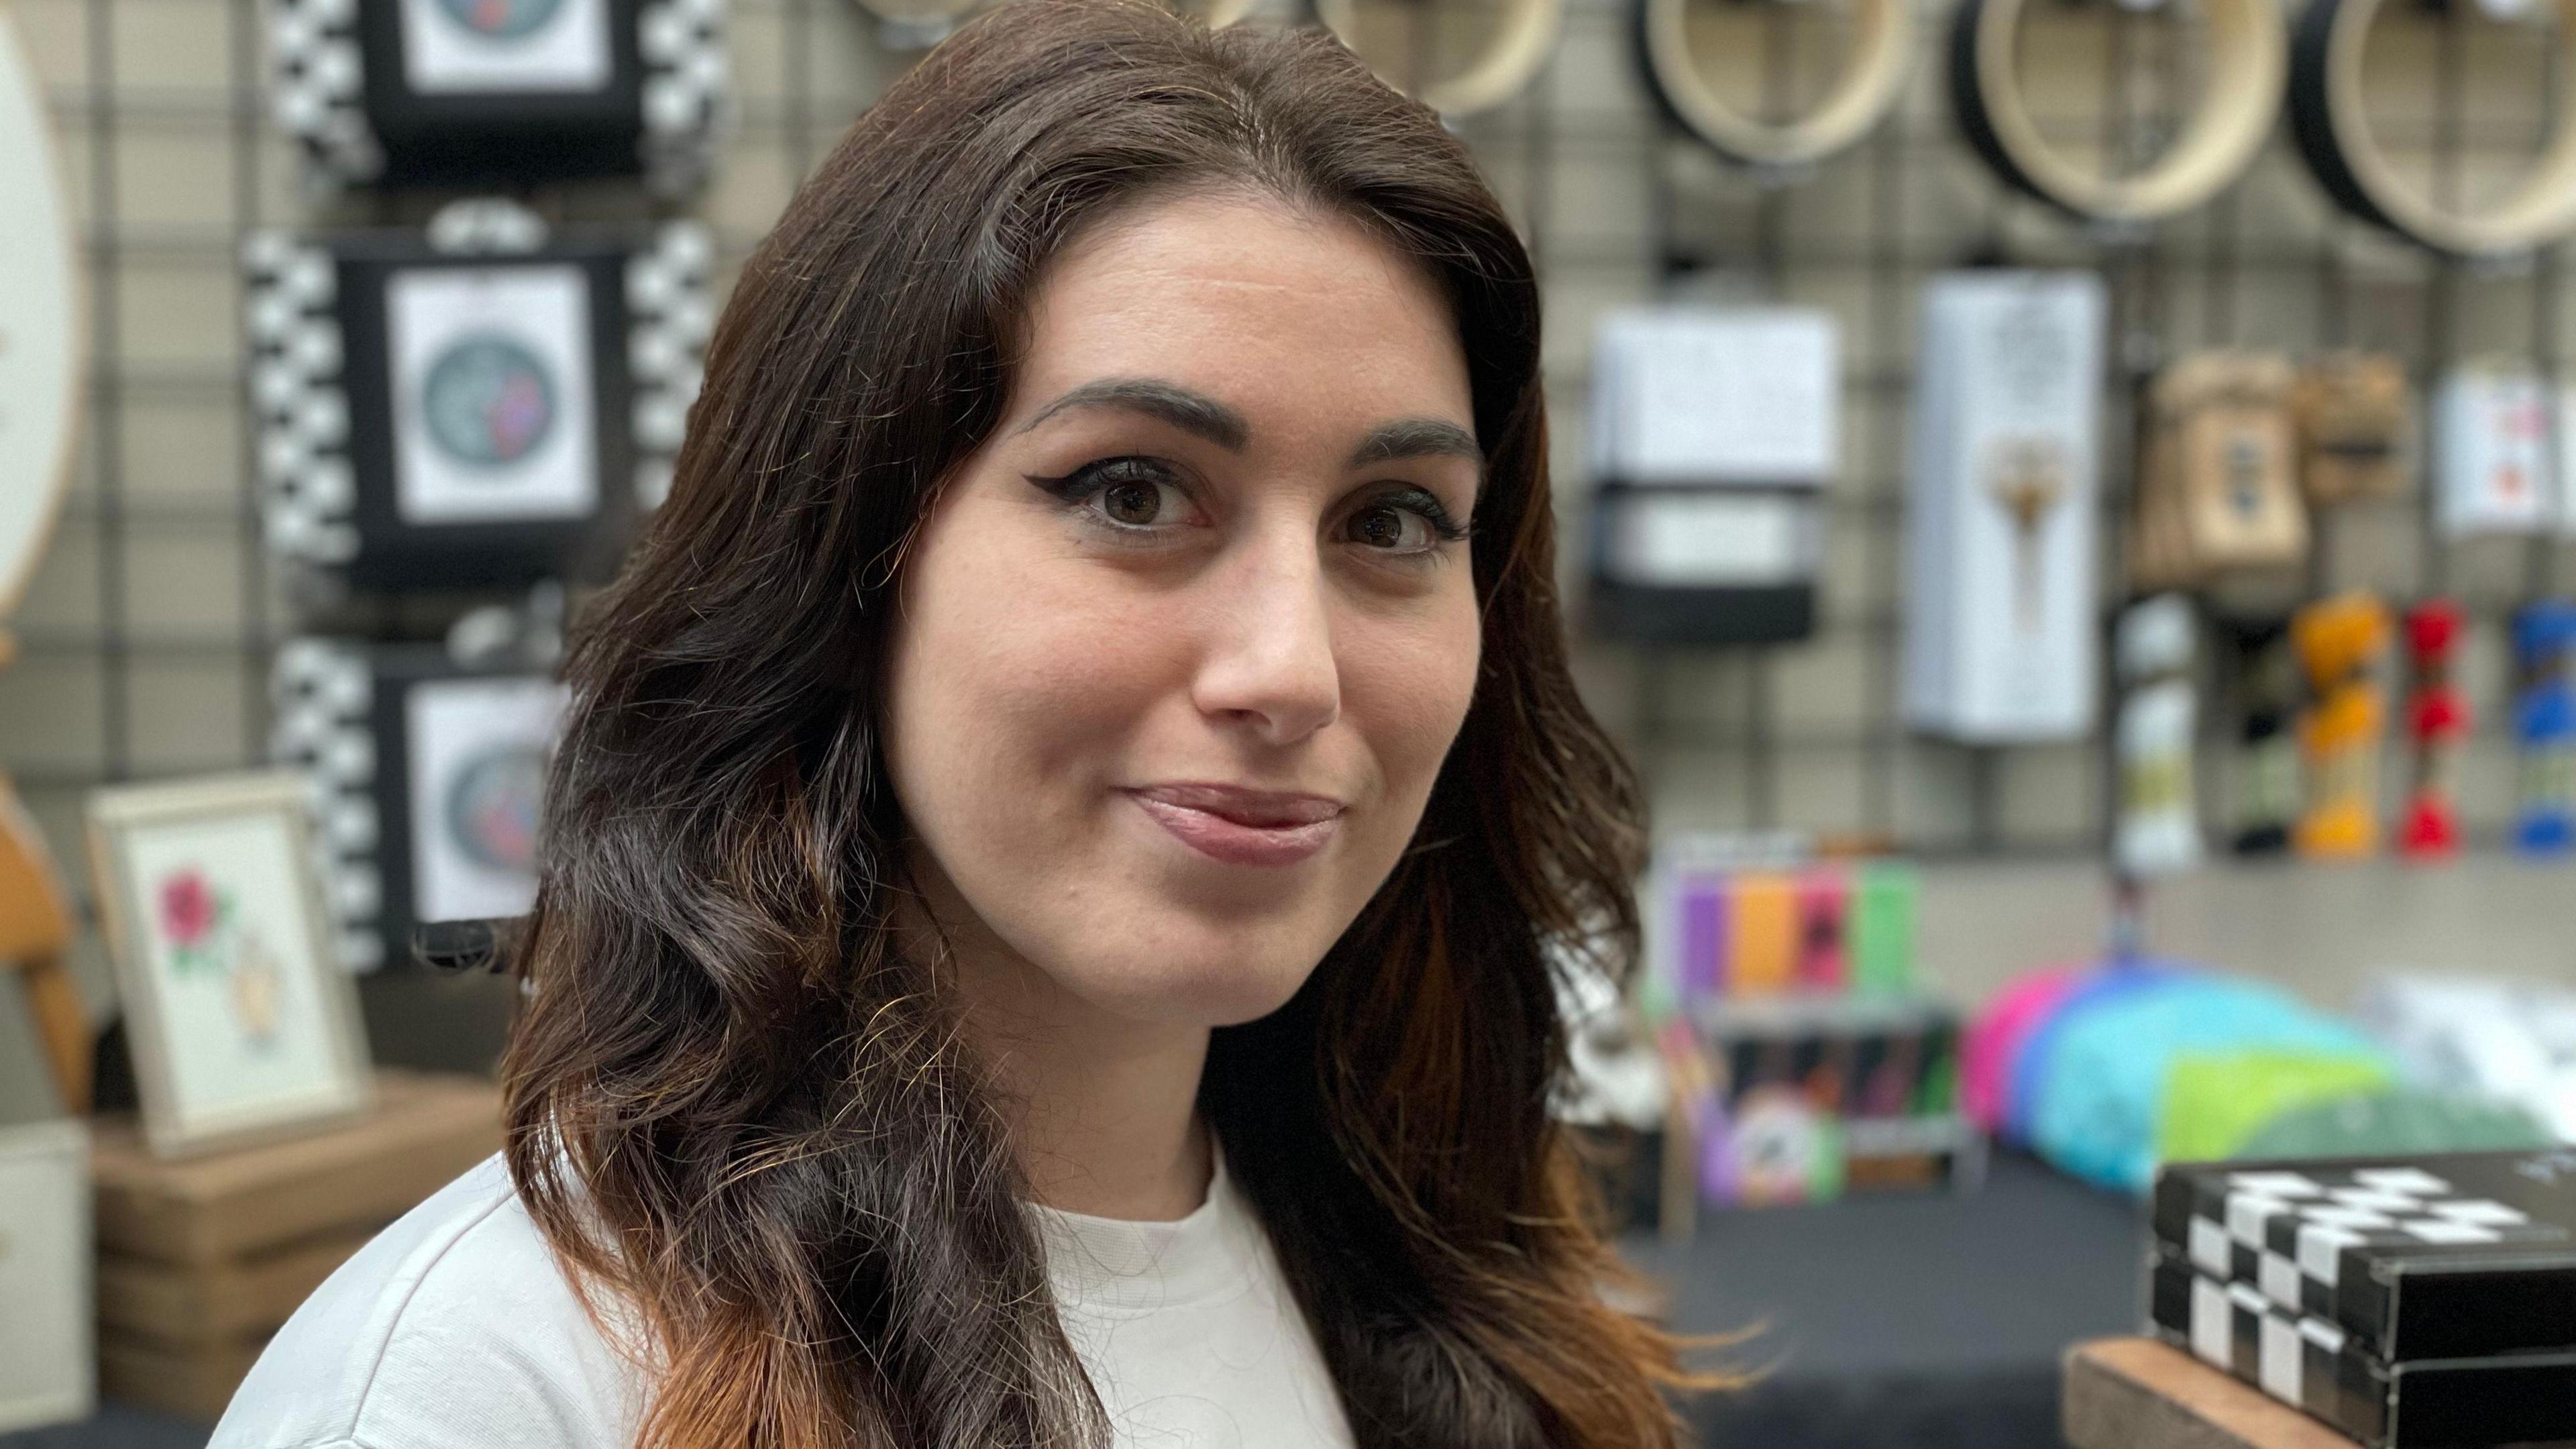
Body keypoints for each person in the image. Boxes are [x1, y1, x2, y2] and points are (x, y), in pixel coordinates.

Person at [212, 3, 1714, 1446]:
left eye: (1392, 520)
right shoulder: (482, 1388)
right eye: (1132, 492)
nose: (1292, 670)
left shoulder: (1474, 1304)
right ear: (845, 559)